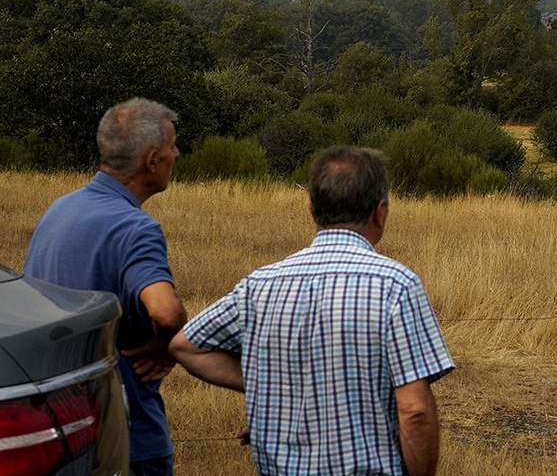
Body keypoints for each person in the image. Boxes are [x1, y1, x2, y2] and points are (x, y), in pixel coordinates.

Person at [170, 145, 454, 476]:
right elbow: (416, 411)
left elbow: (185, 346)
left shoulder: (259, 285)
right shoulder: (396, 285)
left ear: (310, 208)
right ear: (380, 212)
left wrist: (274, 382)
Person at [25, 98, 188, 476]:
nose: (176, 154)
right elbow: (165, 310)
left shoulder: (59, 210)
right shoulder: (134, 228)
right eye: (172, 146)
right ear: (151, 159)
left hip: (62, 427)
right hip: (127, 437)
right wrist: (167, 345)